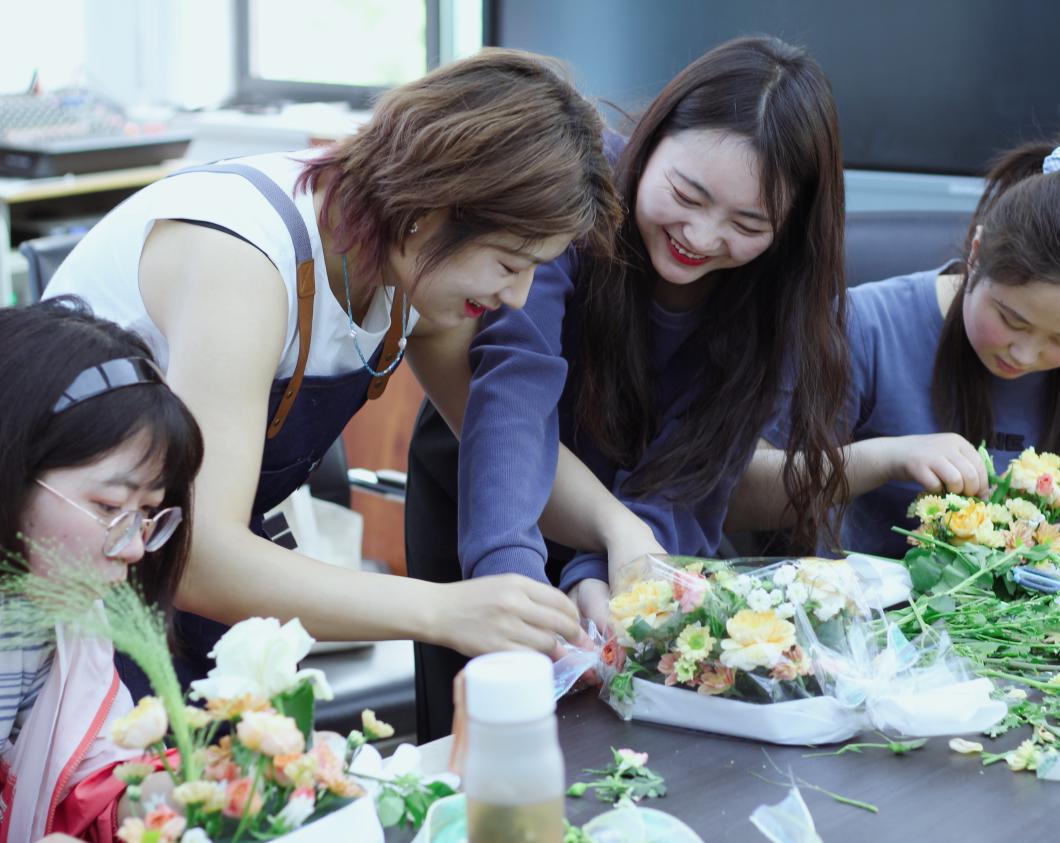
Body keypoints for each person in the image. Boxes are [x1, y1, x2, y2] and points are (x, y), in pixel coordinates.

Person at [43, 49, 621, 691]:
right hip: (69, 595)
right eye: (510, 263)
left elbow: (506, 450)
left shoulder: (413, 272)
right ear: (431, 207)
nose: (516, 297)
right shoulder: (246, 258)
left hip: (186, 599)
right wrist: (446, 611)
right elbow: (196, 555)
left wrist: (625, 535)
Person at [407, 36, 851, 738]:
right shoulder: (573, 196)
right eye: (687, 195)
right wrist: (508, 577)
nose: (701, 236)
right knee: (489, 733)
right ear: (651, 138)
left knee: (627, 751)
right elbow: (516, 393)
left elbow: (695, 472)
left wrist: (603, 570)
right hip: (491, 483)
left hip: (644, 529)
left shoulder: (781, 295)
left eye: (747, 224)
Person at [743, 129, 1060, 560]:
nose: (1024, 354)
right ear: (976, 251)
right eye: (1011, 320)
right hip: (874, 601)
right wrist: (887, 458)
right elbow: (740, 495)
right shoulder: (867, 325)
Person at [0, 298, 202, 843]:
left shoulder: (60, 617)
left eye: (147, 513)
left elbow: (90, 781)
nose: (135, 549)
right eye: (110, 507)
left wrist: (185, 796)